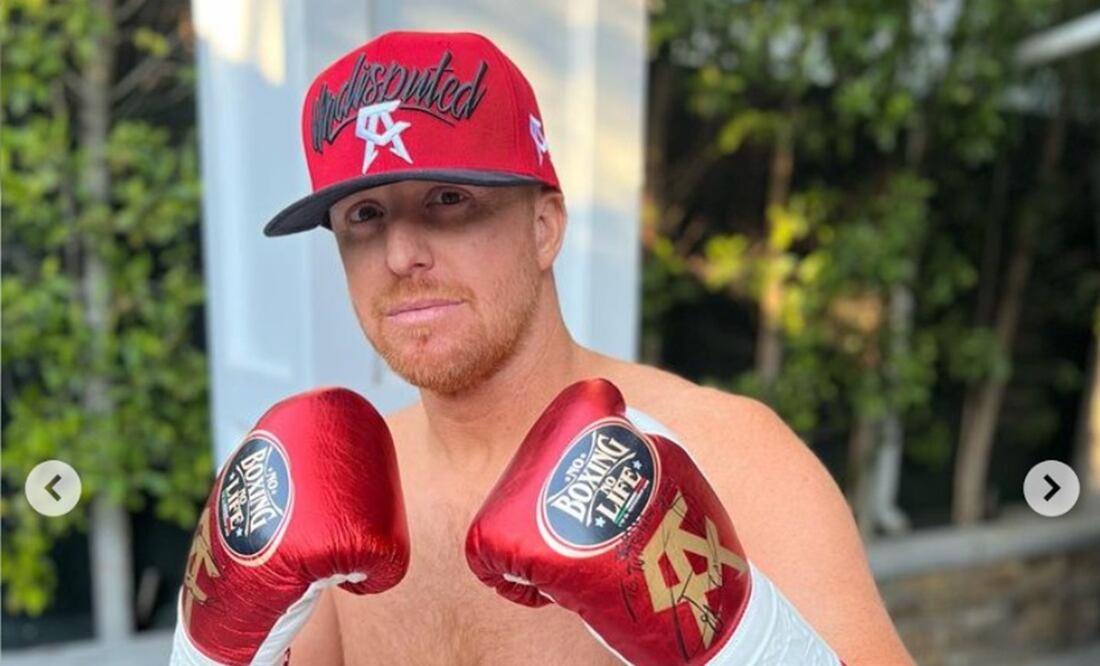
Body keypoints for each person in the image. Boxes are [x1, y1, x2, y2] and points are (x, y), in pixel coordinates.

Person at [180, 30, 915, 665]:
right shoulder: (338, 498)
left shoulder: (730, 458)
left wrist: (750, 645)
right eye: (364, 216)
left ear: (544, 228)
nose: (401, 254)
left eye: (448, 201)